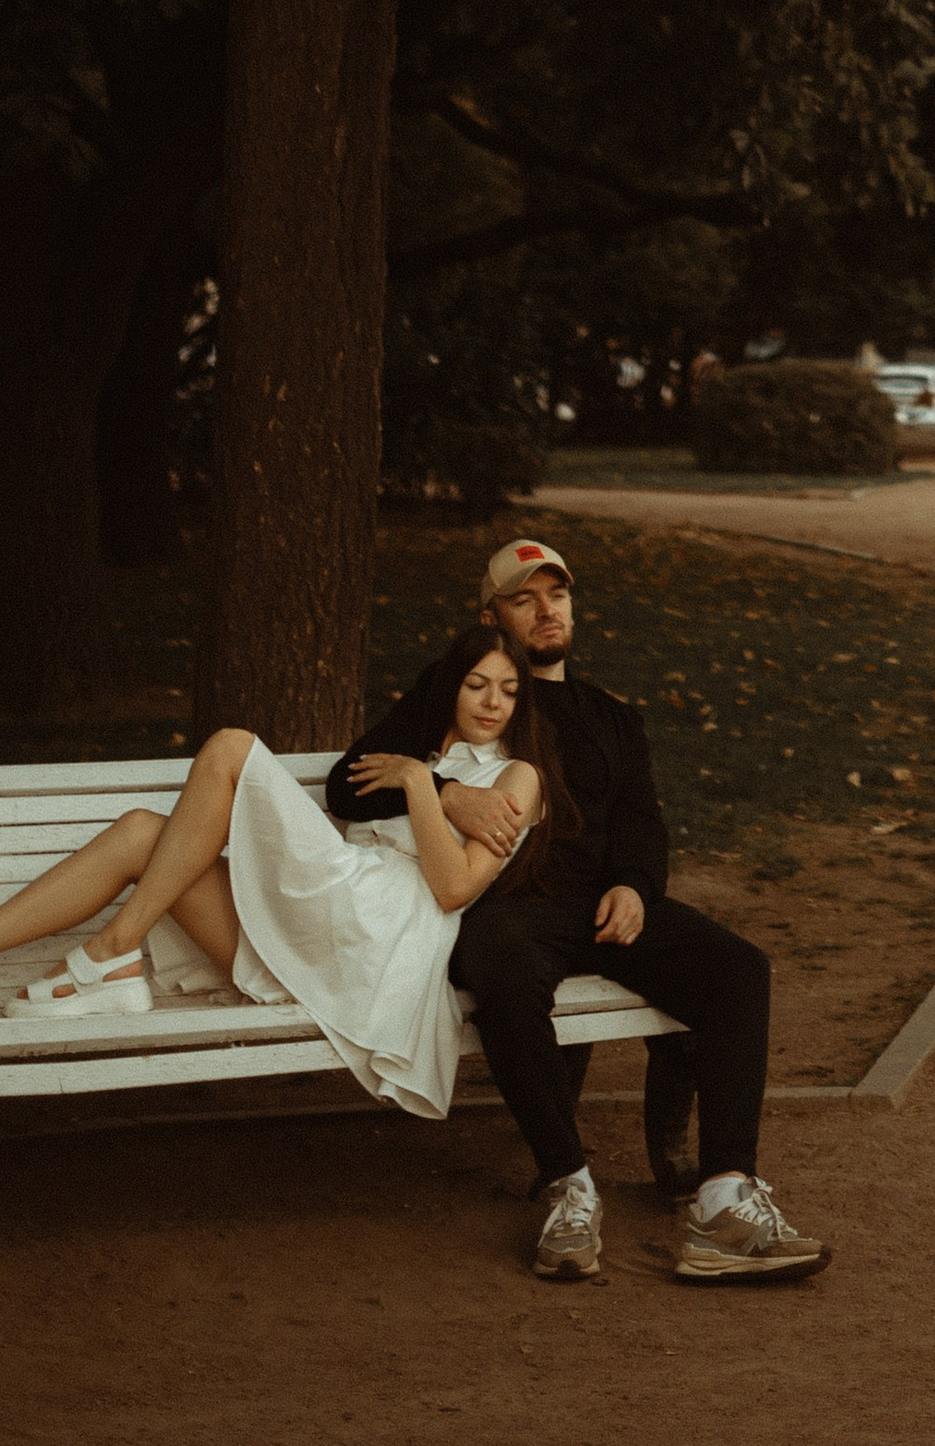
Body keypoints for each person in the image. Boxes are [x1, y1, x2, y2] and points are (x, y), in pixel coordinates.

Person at [330, 533, 827, 1285]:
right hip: (514, 910)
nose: (545, 610)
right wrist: (446, 791)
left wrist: (633, 883)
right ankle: (569, 1185)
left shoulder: (610, 716)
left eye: (555, 594)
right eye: (523, 598)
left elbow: (641, 820)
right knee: (503, 973)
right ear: (493, 614)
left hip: (605, 910)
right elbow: (346, 784)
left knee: (738, 970)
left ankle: (724, 1201)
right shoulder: (465, 685)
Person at [0, 626, 559, 1123]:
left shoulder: (517, 777)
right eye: (476, 684)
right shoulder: (420, 754)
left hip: (378, 943)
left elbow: (455, 889)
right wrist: (426, 777)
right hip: (335, 917)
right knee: (143, 834)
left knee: (232, 748)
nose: (492, 703)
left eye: (507, 690)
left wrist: (421, 785)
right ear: (451, 688)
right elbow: (348, 786)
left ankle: (111, 954)